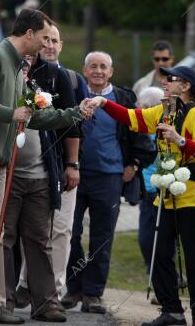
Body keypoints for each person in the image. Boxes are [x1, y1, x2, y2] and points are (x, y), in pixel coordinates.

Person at [0, 8, 89, 325]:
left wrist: (75, 113)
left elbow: (32, 115)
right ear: (29, 34)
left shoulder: (17, 67)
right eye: (43, 37)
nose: (47, 44)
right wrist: (10, 114)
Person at [89, 66, 195, 326]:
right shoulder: (163, 111)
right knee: (155, 249)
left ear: (186, 86)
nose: (166, 82)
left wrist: (180, 140)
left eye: (172, 79)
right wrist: (103, 102)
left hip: (193, 195)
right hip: (166, 196)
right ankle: (172, 310)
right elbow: (131, 117)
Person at [62, 51, 156, 314]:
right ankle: (74, 287)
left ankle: (93, 294)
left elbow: (140, 136)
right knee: (69, 233)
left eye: (103, 67)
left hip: (110, 177)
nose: (98, 71)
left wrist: (133, 165)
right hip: (75, 174)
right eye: (93, 66)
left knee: (102, 238)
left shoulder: (124, 98)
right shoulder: (74, 94)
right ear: (84, 70)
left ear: (111, 72)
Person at [14, 25, 88, 308]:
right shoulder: (16, 71)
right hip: (16, 166)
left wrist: (73, 164)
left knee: (59, 230)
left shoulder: (62, 78)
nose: (48, 45)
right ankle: (22, 284)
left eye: (54, 40)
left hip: (54, 164)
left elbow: (73, 126)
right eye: (44, 40)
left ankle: (53, 292)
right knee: (29, 229)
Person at [136, 86, 164, 305]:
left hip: (164, 191)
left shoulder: (166, 128)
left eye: (144, 105)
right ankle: (158, 279)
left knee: (163, 241)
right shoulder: (139, 128)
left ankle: (163, 288)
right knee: (146, 240)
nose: (140, 108)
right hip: (146, 192)